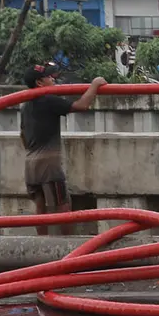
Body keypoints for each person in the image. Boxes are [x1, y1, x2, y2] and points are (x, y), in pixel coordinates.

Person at [20, 63, 107, 236]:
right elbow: (81, 106)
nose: (53, 80)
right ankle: (67, 243)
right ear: (39, 82)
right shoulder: (48, 100)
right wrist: (95, 85)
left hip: (30, 162)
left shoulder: (25, 106)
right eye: (49, 77)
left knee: (40, 205)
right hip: (49, 163)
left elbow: (22, 136)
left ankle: (41, 243)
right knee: (62, 202)